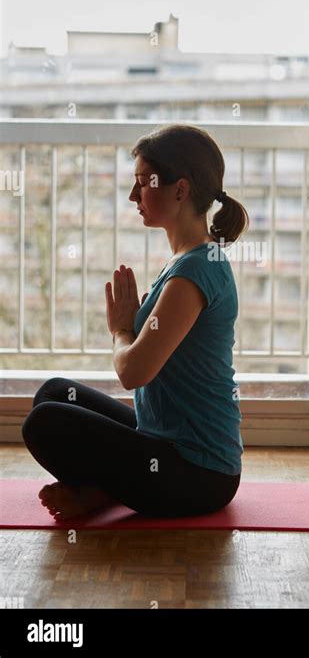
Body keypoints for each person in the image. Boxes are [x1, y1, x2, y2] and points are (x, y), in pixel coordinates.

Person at [22, 124, 249, 521]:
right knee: (53, 393)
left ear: (179, 190)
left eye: (144, 183)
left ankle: (101, 490)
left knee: (45, 423)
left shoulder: (192, 273)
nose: (133, 196)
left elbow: (133, 372)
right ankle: (104, 489)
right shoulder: (191, 259)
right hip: (163, 442)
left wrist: (121, 329)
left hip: (198, 474)